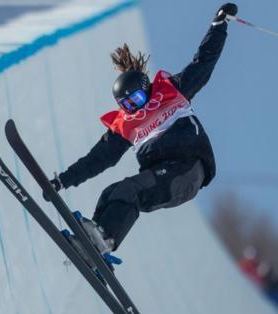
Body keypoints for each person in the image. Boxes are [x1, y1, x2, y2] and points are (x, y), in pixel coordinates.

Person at [44, 3, 239, 255]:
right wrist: (63, 180)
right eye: (125, 104)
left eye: (135, 99)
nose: (133, 107)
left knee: (129, 190)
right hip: (163, 173)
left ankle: (106, 239)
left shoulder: (171, 91)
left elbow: (203, 63)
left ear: (145, 88)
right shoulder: (126, 124)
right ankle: (92, 244)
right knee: (110, 193)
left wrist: (218, 25)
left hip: (188, 168)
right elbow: (97, 159)